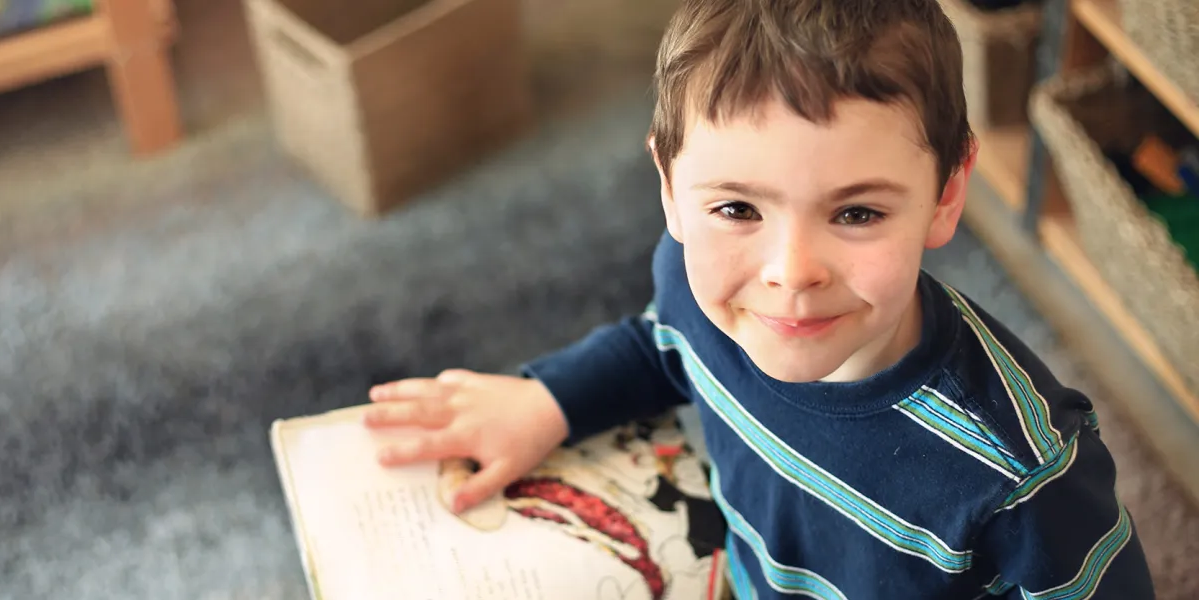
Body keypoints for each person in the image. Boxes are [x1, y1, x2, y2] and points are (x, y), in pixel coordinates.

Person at [360, 0, 1157, 597]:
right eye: (738, 209)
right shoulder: (691, 276)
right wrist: (549, 402)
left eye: (857, 213)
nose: (790, 272)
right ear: (670, 188)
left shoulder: (1019, 477)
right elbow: (662, 345)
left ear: (947, 194)